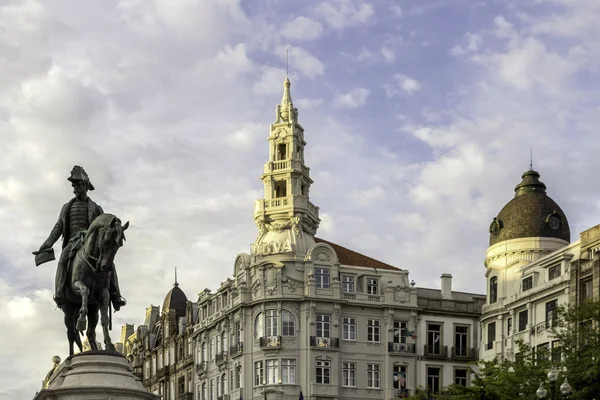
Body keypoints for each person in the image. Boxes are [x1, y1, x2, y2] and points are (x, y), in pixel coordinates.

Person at [36, 166, 126, 310]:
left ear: (85, 186)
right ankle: (59, 292)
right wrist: (47, 244)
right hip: (72, 242)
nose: (75, 189)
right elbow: (58, 227)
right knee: (63, 259)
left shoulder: (96, 208)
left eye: (77, 185)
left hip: (90, 243)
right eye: (73, 186)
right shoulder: (67, 207)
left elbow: (106, 226)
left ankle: (116, 295)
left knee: (110, 264)